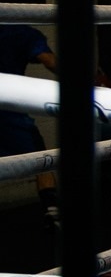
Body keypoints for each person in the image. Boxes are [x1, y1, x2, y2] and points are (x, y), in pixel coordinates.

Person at [0, 23, 60, 215]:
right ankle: (52, 212)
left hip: (8, 111)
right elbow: (49, 61)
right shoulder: (20, 32)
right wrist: (83, 79)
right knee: (43, 160)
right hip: (7, 112)